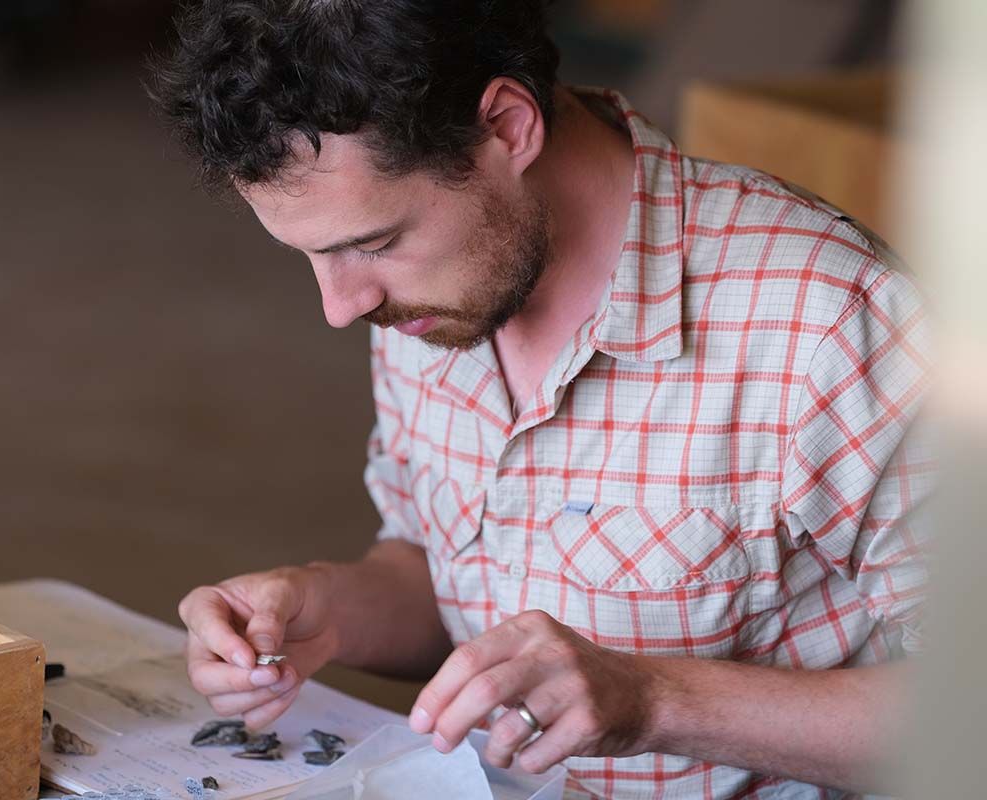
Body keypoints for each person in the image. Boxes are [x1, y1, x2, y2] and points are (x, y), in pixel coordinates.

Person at [147, 1, 932, 796]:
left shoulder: (832, 321)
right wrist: (325, 607)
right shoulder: (432, 296)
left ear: (507, 127)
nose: (341, 306)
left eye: (372, 243)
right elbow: (455, 576)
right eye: (311, 256)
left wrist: (653, 699)